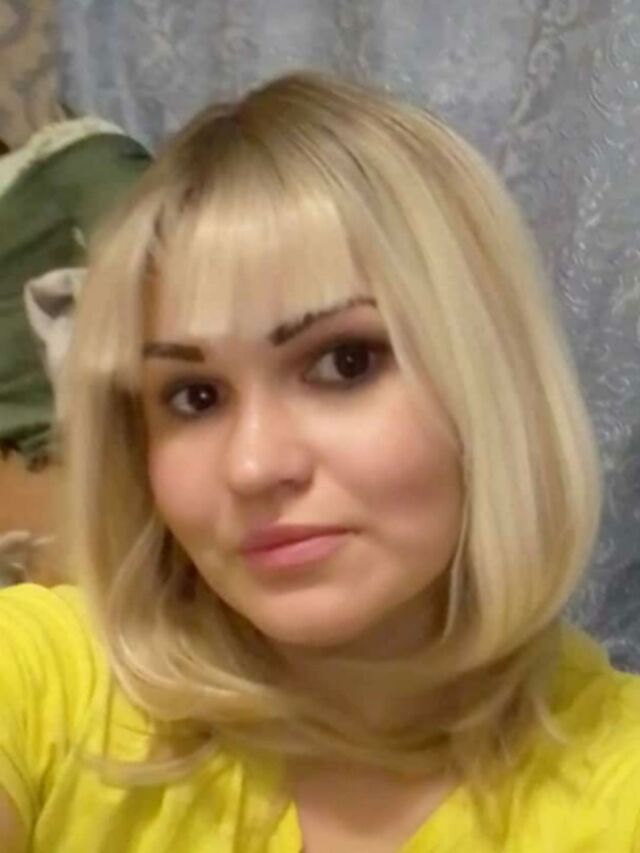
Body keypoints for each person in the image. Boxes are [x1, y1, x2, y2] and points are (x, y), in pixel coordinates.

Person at [0, 71, 638, 853]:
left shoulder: (616, 785)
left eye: (343, 362)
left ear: (489, 381)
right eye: (195, 396)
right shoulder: (51, 679)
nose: (254, 464)